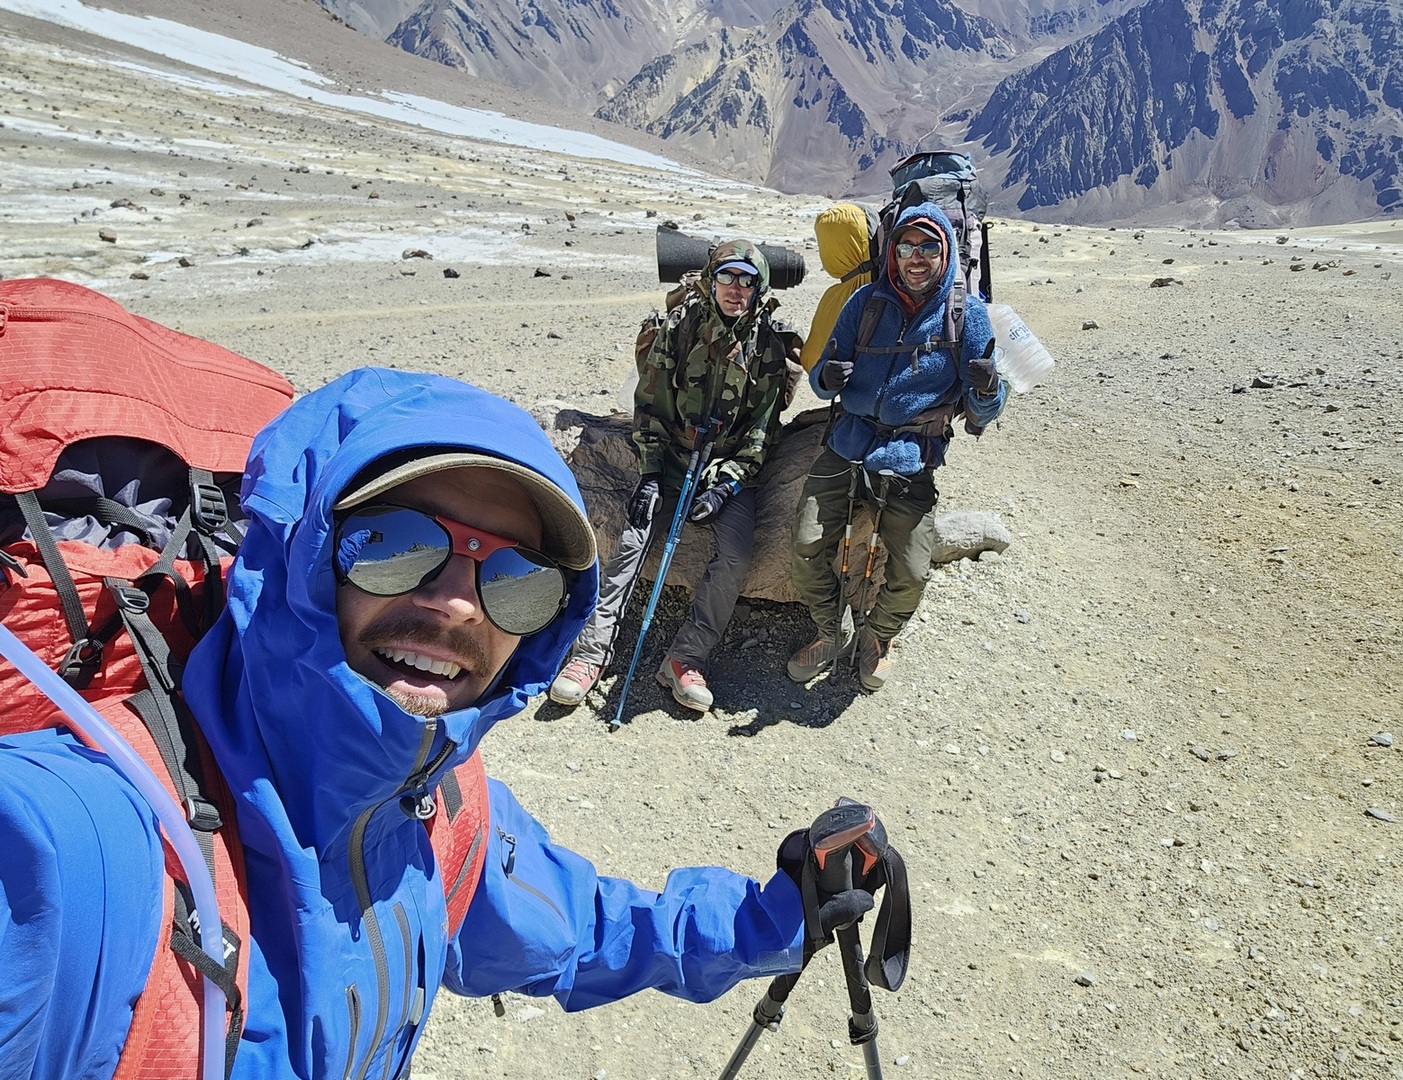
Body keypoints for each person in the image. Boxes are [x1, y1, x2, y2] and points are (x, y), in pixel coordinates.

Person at [0, 368, 877, 1079]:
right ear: (301, 552)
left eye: (518, 581)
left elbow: (583, 929)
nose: (459, 603)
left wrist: (777, 914)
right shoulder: (74, 854)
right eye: (393, 543)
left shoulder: (437, 807)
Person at [549, 239, 799, 714]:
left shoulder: (767, 345)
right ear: (711, 280)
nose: (736, 289)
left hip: (727, 469)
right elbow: (651, 405)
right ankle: (589, 655)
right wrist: (649, 473)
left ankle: (685, 659)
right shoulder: (682, 327)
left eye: (747, 280)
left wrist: (729, 482)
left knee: (737, 553)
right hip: (672, 460)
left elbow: (762, 429)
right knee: (634, 540)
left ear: (759, 287)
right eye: (727, 277)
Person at [789, 203, 1008, 691]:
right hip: (848, 444)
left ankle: (878, 636)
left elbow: (987, 409)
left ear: (945, 253)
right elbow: (823, 377)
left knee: (911, 571)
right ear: (892, 253)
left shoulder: (966, 315)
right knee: (804, 546)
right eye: (906, 248)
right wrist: (826, 379)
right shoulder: (865, 302)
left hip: (911, 456)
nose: (916, 258)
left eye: (928, 247)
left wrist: (989, 387)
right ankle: (831, 632)